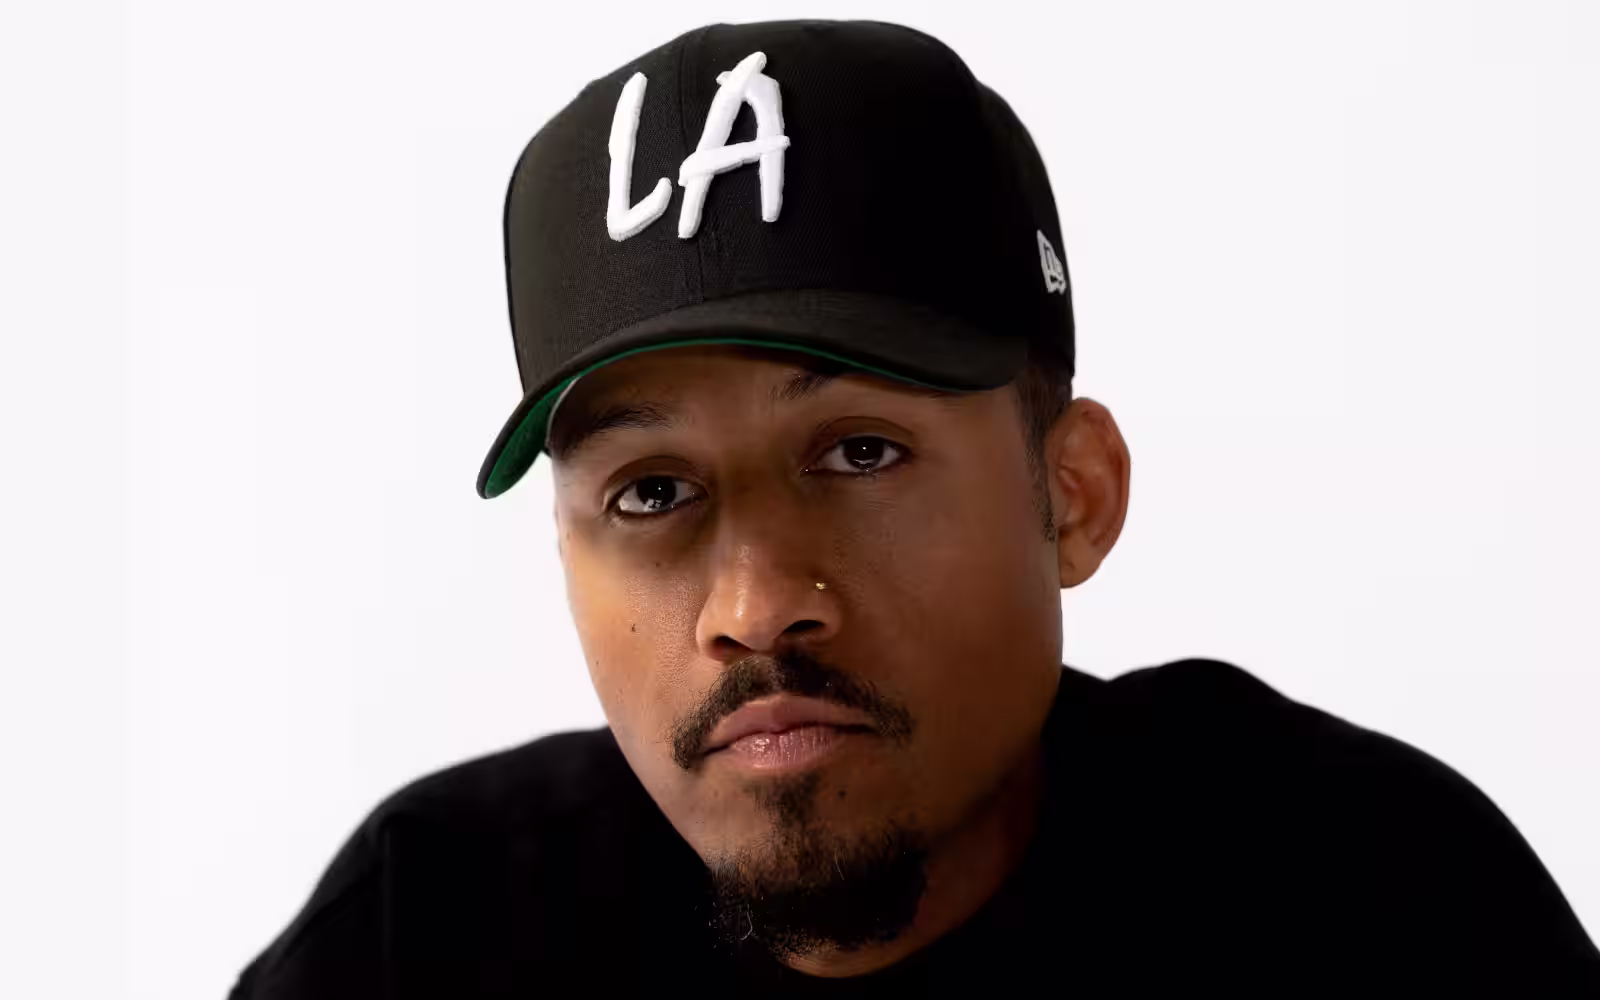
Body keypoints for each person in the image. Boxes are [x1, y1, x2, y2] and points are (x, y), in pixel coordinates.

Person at [228, 19, 1600, 997]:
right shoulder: (424, 935)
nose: (759, 604)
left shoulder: (1368, 903)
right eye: (650, 492)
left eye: (861, 452)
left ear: (1072, 494)